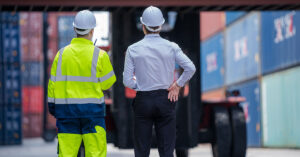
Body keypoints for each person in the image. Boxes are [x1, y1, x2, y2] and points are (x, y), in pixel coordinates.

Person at [123, 6, 196, 157]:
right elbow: (190, 68)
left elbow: (127, 81)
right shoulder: (171, 47)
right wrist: (177, 85)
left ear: (143, 26)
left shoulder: (132, 49)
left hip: (143, 101)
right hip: (166, 98)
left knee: (141, 151)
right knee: (167, 150)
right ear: (161, 26)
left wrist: (141, 86)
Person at [47, 10, 116, 157]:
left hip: (66, 113)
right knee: (96, 153)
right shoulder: (100, 55)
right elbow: (107, 84)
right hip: (92, 114)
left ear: (74, 29)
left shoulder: (61, 54)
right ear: (92, 30)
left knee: (66, 154)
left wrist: (53, 108)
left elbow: (52, 85)